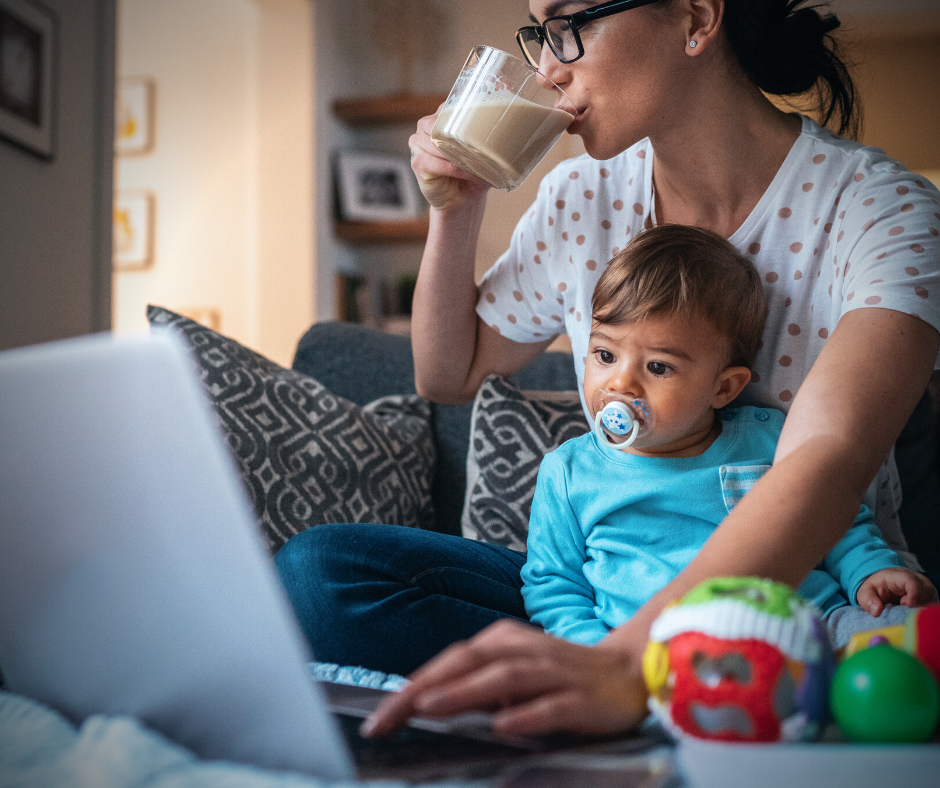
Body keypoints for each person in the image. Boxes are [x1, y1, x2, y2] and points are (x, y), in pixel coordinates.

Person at [275, 0, 940, 740]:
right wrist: (455, 209)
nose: (547, 67)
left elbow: (826, 458)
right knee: (319, 573)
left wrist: (633, 662)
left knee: (890, 659)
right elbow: (447, 375)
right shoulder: (579, 198)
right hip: (610, 602)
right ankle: (617, 690)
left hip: (804, 600)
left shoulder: (882, 210)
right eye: (539, 33)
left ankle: (643, 692)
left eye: (571, 25)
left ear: (694, 18)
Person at [521, 224, 936, 649]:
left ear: (724, 388)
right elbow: (555, 588)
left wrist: (871, 571)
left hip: (810, 630)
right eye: (605, 355)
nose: (620, 383)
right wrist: (595, 658)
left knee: (909, 637)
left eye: (658, 367)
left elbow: (834, 525)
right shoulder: (569, 474)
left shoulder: (771, 439)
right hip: (656, 659)